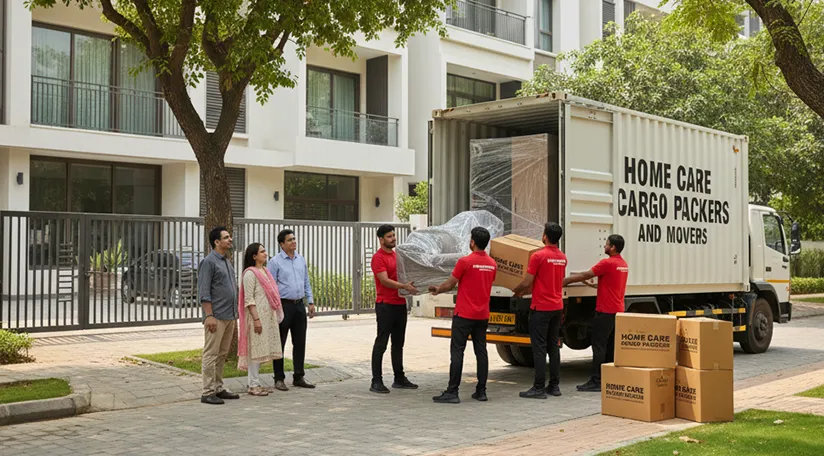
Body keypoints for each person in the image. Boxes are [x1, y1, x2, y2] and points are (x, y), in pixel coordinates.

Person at [430, 227, 497, 404]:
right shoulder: (492, 264)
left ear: (472, 242)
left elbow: (450, 284)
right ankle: (481, 391)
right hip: (482, 315)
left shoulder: (465, 261)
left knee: (457, 352)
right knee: (481, 351)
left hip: (464, 314)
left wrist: (438, 289)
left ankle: (452, 392)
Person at [563, 234, 629, 392]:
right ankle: (609, 378)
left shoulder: (607, 263)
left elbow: (587, 274)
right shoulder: (623, 264)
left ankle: (596, 381)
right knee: (610, 346)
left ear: (613, 247)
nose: (604, 246)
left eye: (607, 244)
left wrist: (565, 281)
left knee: (598, 345)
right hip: (617, 310)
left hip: (605, 311)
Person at [512, 222, 567, 399]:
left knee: (539, 348)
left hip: (541, 308)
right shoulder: (562, 257)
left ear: (545, 236)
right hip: (557, 307)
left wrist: (516, 290)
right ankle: (554, 386)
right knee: (553, 347)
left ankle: (538, 388)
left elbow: (528, 281)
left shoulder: (538, 256)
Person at [369, 224, 419, 394]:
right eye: (389, 236)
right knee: (381, 343)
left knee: (398, 343)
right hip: (385, 305)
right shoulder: (378, 258)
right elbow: (384, 280)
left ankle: (399, 378)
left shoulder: (398, 256)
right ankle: (376, 381)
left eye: (394, 235)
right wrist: (404, 286)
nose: (393, 239)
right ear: (381, 239)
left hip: (400, 304)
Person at [267, 229, 316, 391]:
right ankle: (279, 378)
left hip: (299, 305)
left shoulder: (300, 259)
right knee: (279, 343)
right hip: (283, 305)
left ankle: (299, 376)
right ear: (282, 244)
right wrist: (275, 307)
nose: (293, 242)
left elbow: (306, 281)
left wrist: (310, 301)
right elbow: (271, 286)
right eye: (289, 240)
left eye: (294, 239)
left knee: (300, 341)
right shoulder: (275, 262)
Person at [199, 227, 240, 405]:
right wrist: (209, 316)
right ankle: (207, 391)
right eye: (226, 237)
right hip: (216, 316)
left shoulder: (226, 261)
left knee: (222, 354)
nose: (230, 239)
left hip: (229, 315)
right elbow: (204, 291)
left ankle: (218, 387)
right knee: (211, 354)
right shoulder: (209, 262)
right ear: (216, 242)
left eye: (230, 237)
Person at [238, 243, 285, 397]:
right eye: (262, 251)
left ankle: (255, 383)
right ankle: (253, 385)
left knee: (261, 349)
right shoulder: (250, 274)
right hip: (256, 318)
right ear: (254, 256)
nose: (266, 253)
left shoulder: (265, 271)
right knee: (255, 350)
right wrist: (256, 319)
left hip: (267, 317)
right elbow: (249, 299)